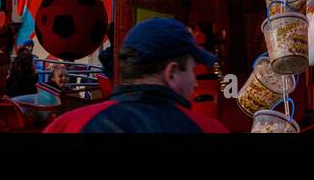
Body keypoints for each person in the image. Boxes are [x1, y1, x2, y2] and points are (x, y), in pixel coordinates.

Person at [44, 18, 226, 133]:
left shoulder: (68, 125)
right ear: (171, 73)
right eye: (192, 71)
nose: (195, 83)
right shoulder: (207, 128)